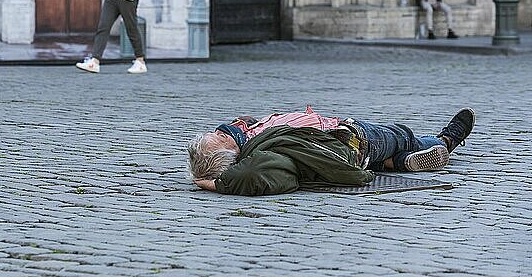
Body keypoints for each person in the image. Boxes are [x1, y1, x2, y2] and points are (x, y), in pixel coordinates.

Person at [188, 106, 475, 196]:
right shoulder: (258, 157)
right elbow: (254, 174)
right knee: (404, 136)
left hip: (352, 148)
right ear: (230, 157)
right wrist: (219, 184)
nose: (221, 133)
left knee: (391, 153)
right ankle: (444, 141)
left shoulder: (253, 142)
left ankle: (394, 163)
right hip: (356, 138)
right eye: (220, 139)